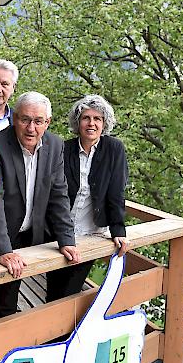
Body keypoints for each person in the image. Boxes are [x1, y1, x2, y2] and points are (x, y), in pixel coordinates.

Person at [0, 91, 81, 327]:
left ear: (47, 122)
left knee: (9, 303)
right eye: (25, 120)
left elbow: (58, 195)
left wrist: (67, 240)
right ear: (14, 118)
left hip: (27, 237)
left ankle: (3, 359)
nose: (31, 128)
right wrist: (3, 249)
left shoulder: (55, 145)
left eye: (38, 121)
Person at [46, 95, 130, 302]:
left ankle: (60, 333)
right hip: (59, 231)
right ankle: (53, 332)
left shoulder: (114, 149)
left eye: (97, 119)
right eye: (86, 118)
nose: (91, 123)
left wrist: (118, 229)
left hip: (89, 233)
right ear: (78, 122)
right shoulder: (63, 149)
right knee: (54, 286)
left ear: (104, 123)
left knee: (69, 290)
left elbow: (116, 191)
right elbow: (54, 193)